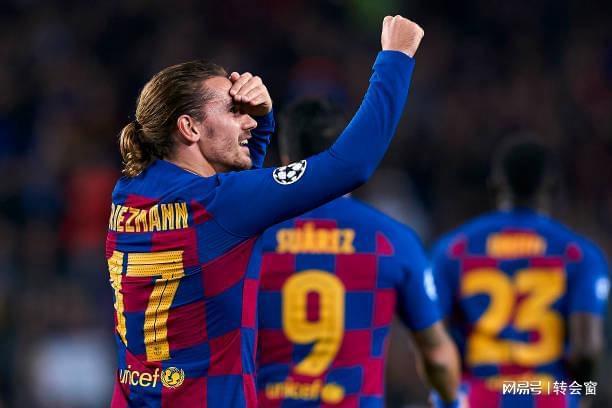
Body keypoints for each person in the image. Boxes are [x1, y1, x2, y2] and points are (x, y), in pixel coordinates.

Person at [107, 15, 424, 407]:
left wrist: (261, 125)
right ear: (189, 128)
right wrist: (395, 58)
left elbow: (231, 217)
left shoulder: (128, 194)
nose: (247, 121)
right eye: (233, 110)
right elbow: (350, 166)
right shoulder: (220, 204)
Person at [255, 99, 461, 407]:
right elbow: (437, 356)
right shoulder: (391, 240)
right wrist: (450, 401)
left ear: (286, 160)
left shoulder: (252, 237)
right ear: (347, 155)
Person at [431, 137, 610, 407]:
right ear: (553, 187)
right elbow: (587, 349)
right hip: (549, 394)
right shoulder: (579, 254)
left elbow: (434, 342)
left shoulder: (453, 249)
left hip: (478, 394)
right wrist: (583, 394)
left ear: (495, 184)